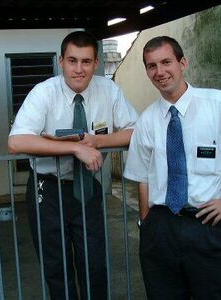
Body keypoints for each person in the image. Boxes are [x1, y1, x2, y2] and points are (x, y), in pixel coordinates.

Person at [124, 36, 221, 300]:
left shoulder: (220, 105)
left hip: (208, 224)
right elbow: (142, 176)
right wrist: (147, 224)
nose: (160, 72)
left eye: (166, 62)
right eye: (151, 65)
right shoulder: (146, 121)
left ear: (183, 63)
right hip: (161, 229)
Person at [8, 31, 138, 299]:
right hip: (47, 188)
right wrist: (75, 147)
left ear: (97, 63)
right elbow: (17, 142)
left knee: (95, 263)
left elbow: (136, 131)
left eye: (86, 62)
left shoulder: (109, 90)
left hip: (87, 187)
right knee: (57, 267)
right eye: (72, 61)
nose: (79, 70)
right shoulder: (44, 92)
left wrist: (97, 142)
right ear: (61, 61)